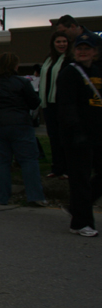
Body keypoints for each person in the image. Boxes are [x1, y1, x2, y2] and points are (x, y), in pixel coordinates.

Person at [0, 52, 46, 206]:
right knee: (28, 160)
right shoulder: (22, 82)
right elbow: (34, 103)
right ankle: (35, 196)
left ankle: (2, 197)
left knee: (0, 162)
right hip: (20, 124)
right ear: (14, 66)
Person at [57, 32, 102, 237]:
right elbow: (66, 105)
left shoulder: (98, 72)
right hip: (77, 135)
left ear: (95, 51)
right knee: (80, 180)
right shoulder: (70, 73)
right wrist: (75, 131)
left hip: (97, 133)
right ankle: (81, 222)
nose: (83, 52)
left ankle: (77, 208)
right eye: (79, 48)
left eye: (87, 48)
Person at [40, 31, 70, 179]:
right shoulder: (48, 60)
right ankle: (56, 168)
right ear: (53, 43)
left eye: (64, 41)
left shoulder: (70, 59)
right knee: (54, 137)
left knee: (65, 138)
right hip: (48, 104)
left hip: (63, 105)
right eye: (58, 41)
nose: (62, 44)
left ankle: (68, 169)